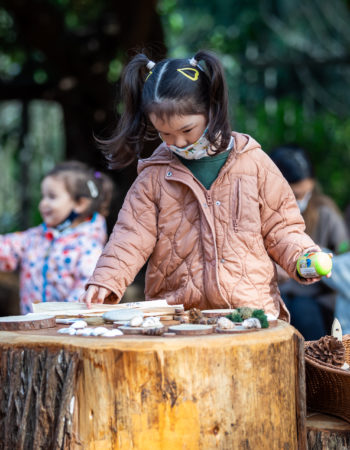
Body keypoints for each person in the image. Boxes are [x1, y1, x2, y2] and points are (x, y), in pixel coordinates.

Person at [82, 50, 324, 321]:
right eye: (165, 134)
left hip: (249, 314)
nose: (178, 142)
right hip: (178, 317)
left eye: (187, 130)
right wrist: (106, 279)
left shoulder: (253, 163)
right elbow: (130, 235)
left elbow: (282, 227)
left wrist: (304, 257)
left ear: (212, 108)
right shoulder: (153, 176)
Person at [0, 161, 114, 314]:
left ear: (80, 204)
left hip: (65, 330)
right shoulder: (35, 237)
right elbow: (6, 249)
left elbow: (84, 290)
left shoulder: (88, 247)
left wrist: (62, 317)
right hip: (31, 327)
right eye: (43, 196)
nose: (43, 204)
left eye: (51, 197)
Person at [270, 145, 349, 339]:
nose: (301, 200)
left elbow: (343, 257)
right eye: (295, 195)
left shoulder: (325, 214)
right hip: (275, 296)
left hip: (315, 301)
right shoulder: (265, 215)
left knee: (303, 310)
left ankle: (315, 368)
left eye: (306, 193)